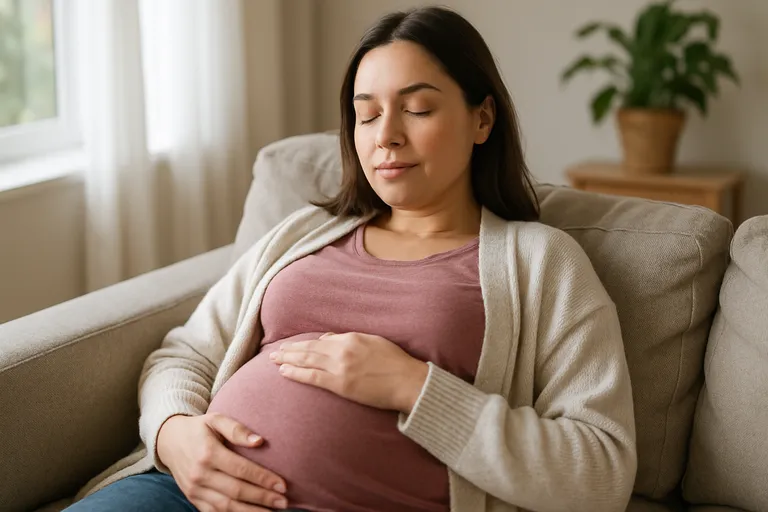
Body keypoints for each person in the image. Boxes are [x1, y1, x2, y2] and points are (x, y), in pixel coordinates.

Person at [66, 6, 636, 512]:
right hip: (185, 494)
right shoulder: (304, 233)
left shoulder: (540, 263)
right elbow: (185, 353)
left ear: (482, 119)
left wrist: (415, 388)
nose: (385, 136)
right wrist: (175, 434)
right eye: (366, 114)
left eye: (416, 109)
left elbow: (602, 471)